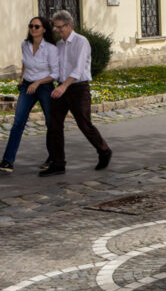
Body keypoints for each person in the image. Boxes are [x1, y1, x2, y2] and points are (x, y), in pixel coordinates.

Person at [40, 10, 112, 177]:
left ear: (69, 25)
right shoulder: (58, 45)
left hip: (78, 88)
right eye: (55, 27)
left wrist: (63, 86)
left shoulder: (81, 42)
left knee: (84, 124)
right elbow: (56, 69)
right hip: (62, 87)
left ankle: (104, 151)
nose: (57, 30)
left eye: (60, 27)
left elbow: (79, 69)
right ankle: (58, 164)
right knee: (54, 124)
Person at [0, 16, 58, 174]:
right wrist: (22, 78)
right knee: (18, 123)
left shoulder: (51, 49)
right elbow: (25, 62)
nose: (33, 29)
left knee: (50, 122)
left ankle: (53, 157)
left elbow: (55, 73)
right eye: (31, 26)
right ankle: (7, 161)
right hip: (27, 87)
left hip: (45, 86)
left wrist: (37, 83)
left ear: (44, 29)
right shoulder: (24, 45)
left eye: (36, 26)